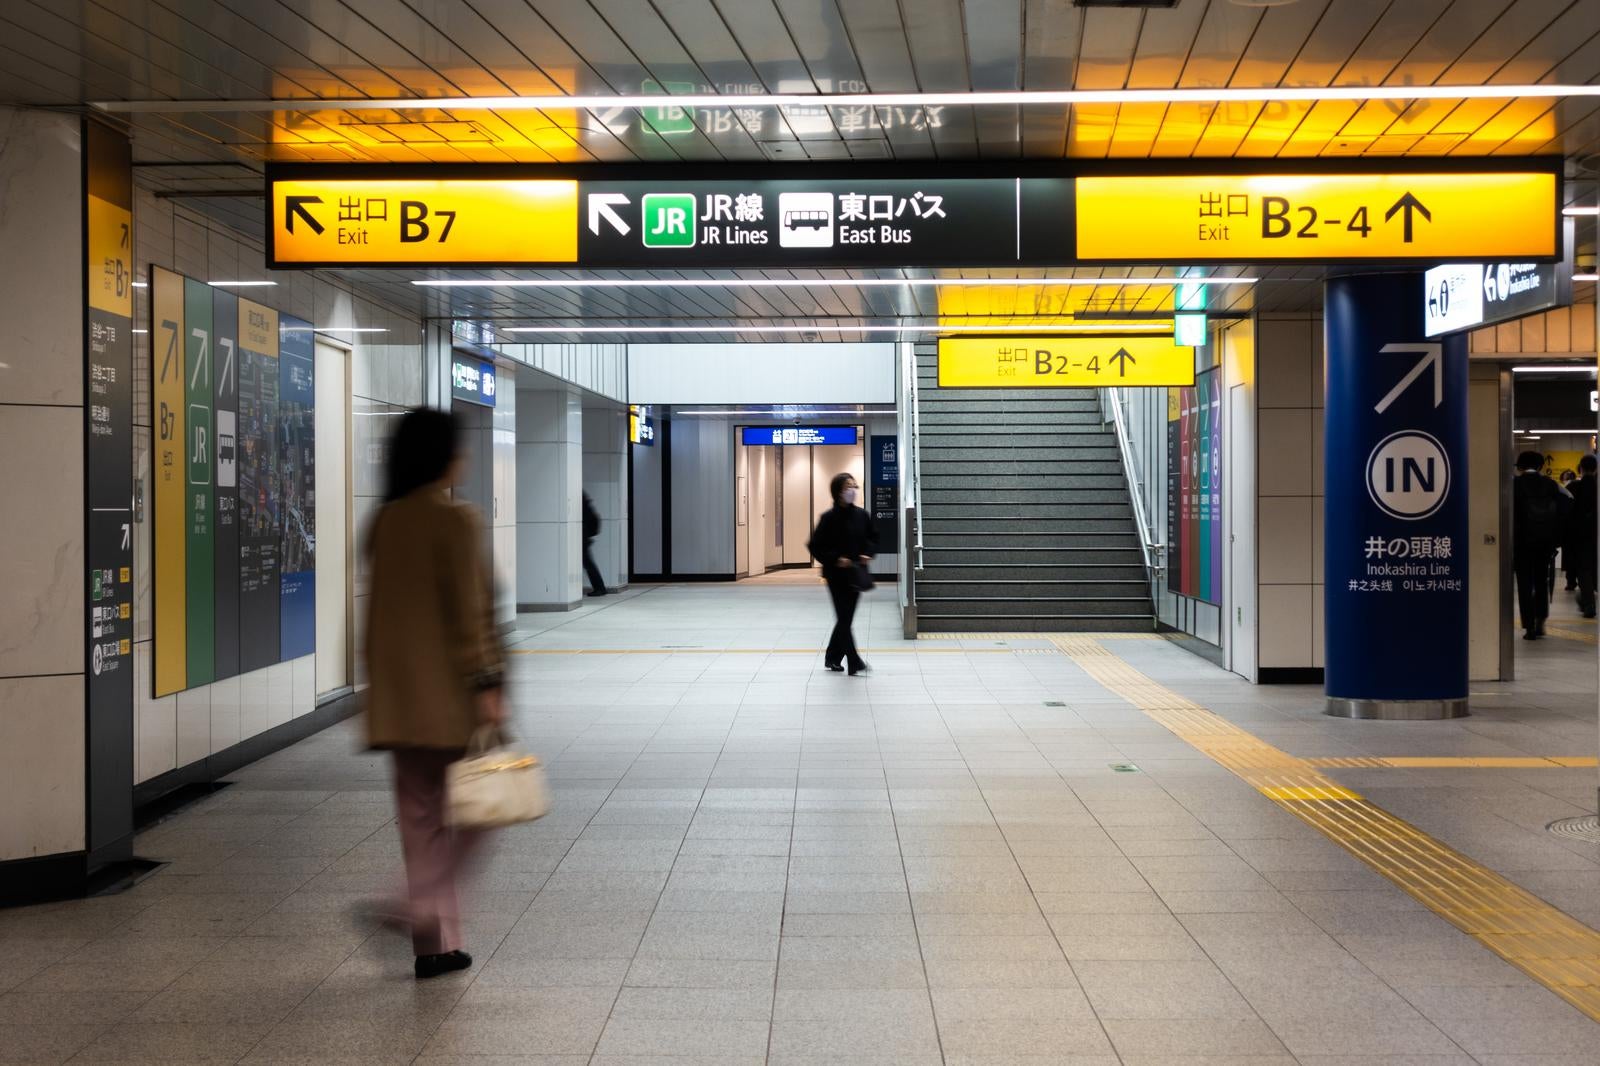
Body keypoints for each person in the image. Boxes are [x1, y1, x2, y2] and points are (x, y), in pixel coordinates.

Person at [363, 408, 507, 979]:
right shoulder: (455, 520)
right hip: (451, 697)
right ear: (443, 456)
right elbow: (472, 615)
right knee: (481, 812)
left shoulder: (385, 520)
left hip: (398, 700)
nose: (464, 457)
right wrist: (487, 683)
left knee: (420, 819)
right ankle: (412, 901)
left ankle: (435, 946)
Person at [808, 472, 878, 675]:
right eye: (848, 486)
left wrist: (868, 553)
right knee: (844, 617)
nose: (853, 490)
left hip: (856, 574)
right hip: (836, 576)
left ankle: (832, 657)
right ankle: (854, 661)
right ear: (838, 491)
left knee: (845, 619)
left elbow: (873, 538)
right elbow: (815, 546)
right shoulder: (828, 518)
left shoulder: (862, 515)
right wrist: (836, 559)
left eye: (854, 486)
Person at [1513, 450, 1571, 640]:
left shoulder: (1515, 485)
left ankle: (1529, 627)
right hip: (1545, 543)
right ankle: (1540, 621)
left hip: (1521, 543)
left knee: (1524, 583)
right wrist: (1556, 539)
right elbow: (1566, 508)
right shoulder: (1551, 484)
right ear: (1540, 466)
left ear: (1520, 466)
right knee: (1541, 581)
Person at [1571, 455, 1598, 617]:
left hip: (1581, 536)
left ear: (1580, 467)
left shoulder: (1575, 487)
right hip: (1596, 535)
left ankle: (1589, 604)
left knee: (1584, 570)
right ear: (1596, 468)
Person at [582, 492, 608, 596]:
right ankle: (600, 587)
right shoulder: (586, 503)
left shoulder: (582, 503)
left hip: (582, 536)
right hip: (585, 536)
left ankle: (600, 588)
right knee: (588, 563)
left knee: (588, 563)